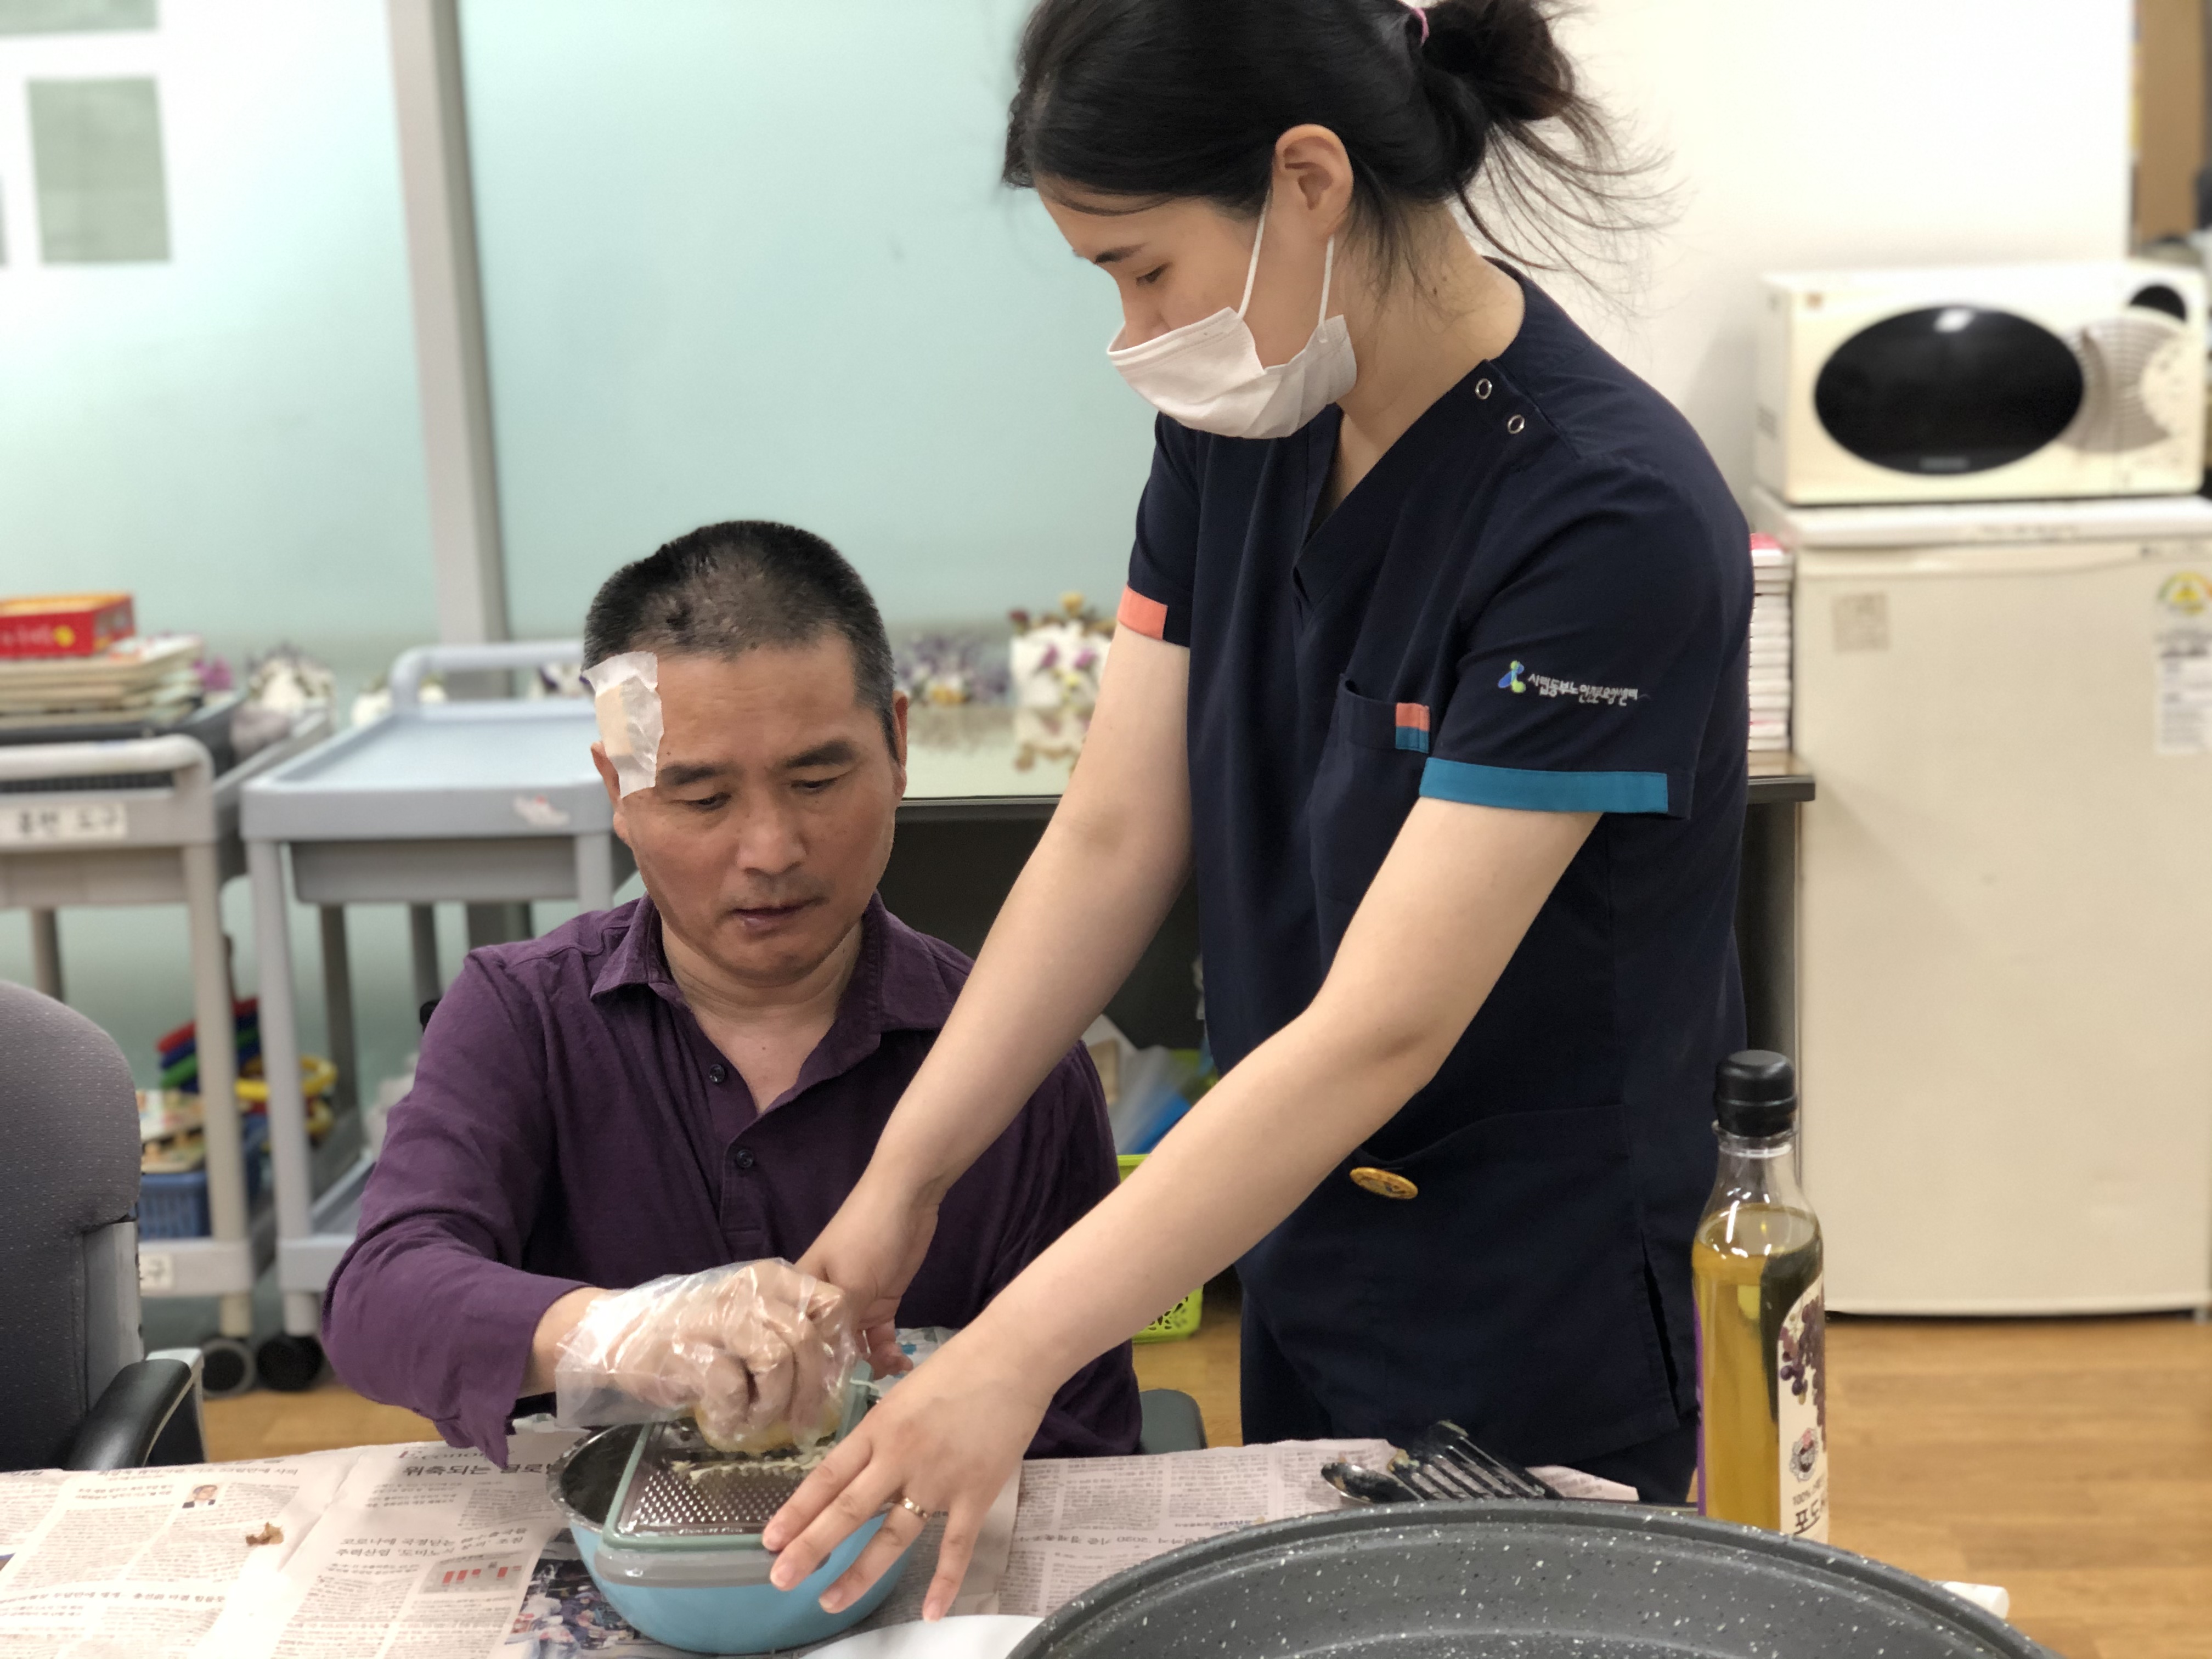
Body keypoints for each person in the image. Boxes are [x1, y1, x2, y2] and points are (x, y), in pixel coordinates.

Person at [761, 0, 1751, 1618]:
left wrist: (1010, 1352)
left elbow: (1383, 1026)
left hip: (1539, 1282)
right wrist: (904, 1181)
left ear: (1309, 181)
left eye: (1144, 269)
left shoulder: (1604, 515)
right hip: (1299, 1224)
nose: (1137, 332)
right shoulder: (1241, 430)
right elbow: (1115, 834)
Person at [321, 521, 1141, 1464]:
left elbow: (1080, 1438)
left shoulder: (1019, 1062)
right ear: (617, 791)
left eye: (818, 779)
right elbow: (381, 1298)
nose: (771, 851)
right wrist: (632, 1332)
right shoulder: (523, 1018)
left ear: (898, 746)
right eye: (703, 799)